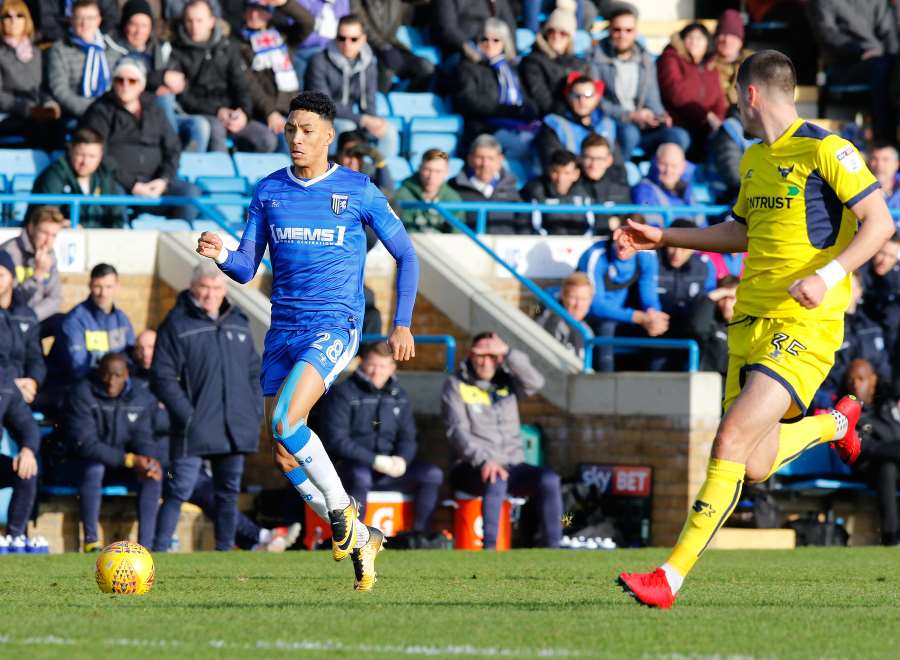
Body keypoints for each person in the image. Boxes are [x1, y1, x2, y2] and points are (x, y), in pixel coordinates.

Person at [616, 50, 894, 608]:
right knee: (757, 464)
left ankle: (669, 578)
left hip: (804, 323)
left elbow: (880, 222)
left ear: (750, 93)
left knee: (731, 440)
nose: (729, 103)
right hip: (749, 322)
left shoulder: (826, 149)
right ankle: (836, 422)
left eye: (731, 93)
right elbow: (740, 231)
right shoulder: (754, 159)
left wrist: (830, 273)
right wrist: (666, 238)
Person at [194, 91, 419, 590]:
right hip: (283, 329)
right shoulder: (269, 191)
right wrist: (220, 254)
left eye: (307, 131)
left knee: (285, 419)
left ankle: (342, 511)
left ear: (328, 136)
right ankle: (361, 537)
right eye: (291, 129)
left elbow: (408, 254)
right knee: (283, 451)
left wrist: (401, 321)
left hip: (334, 325)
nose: (296, 138)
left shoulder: (358, 190)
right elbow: (247, 268)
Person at [132, 328, 300, 552]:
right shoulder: (133, 385)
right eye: (141, 348)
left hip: (183, 458)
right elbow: (141, 426)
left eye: (151, 347)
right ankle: (259, 537)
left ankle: (255, 539)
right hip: (152, 463)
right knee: (190, 487)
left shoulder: (179, 379)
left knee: (216, 493)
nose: (146, 353)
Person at [150, 263, 262, 553]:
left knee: (227, 494)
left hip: (235, 426)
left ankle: (223, 555)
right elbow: (161, 377)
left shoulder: (239, 321)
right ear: (192, 288)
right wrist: (187, 415)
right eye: (204, 288)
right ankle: (159, 552)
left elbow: (253, 371)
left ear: (224, 290)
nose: (210, 294)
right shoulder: (176, 323)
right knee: (178, 491)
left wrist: (253, 413)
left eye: (216, 288)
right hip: (193, 427)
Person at [442, 332, 562, 549]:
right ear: (470, 354)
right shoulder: (455, 385)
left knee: (549, 479)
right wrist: (484, 460)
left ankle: (553, 548)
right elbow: (456, 432)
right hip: (471, 466)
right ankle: (490, 549)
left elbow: (536, 382)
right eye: (481, 355)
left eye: (492, 356)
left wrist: (508, 352)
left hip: (512, 464)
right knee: (495, 479)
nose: (486, 362)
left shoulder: (508, 381)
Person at [322, 342, 443, 532]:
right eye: (372, 365)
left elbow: (408, 437)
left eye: (382, 366)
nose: (376, 372)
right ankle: (355, 539)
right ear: (361, 364)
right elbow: (337, 440)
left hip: (389, 468)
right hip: (352, 466)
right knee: (359, 476)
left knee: (432, 474)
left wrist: (402, 459)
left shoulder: (399, 395)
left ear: (392, 368)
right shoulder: (343, 393)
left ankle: (421, 537)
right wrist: (374, 460)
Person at [80, 58, 201, 222]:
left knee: (190, 193)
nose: (125, 85)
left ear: (142, 85)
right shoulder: (100, 111)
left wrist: (163, 180)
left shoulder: (155, 110)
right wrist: (133, 184)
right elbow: (99, 155)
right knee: (112, 197)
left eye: (132, 80)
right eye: (119, 80)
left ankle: (179, 240)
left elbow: (172, 149)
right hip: (119, 183)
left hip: (156, 182)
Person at [63, 352, 162, 551]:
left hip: (122, 464)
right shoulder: (82, 393)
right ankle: (91, 542)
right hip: (82, 463)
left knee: (152, 474)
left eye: (117, 376)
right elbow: (87, 445)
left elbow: (143, 436)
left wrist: (149, 460)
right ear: (98, 373)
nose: (111, 381)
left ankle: (145, 547)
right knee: (94, 469)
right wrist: (131, 460)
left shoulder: (141, 397)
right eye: (106, 375)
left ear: (126, 375)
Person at [167, 0, 278, 153]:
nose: (194, 26)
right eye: (189, 20)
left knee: (266, 139)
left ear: (211, 22)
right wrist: (218, 111)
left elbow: (241, 86)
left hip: (231, 113)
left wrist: (243, 114)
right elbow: (184, 97)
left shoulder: (228, 47)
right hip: (201, 114)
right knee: (216, 131)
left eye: (199, 20)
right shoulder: (176, 52)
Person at [590, 3, 689, 160]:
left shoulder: (645, 59)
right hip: (615, 123)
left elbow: (652, 96)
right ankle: (619, 172)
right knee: (630, 134)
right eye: (617, 30)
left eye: (628, 30)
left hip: (643, 125)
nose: (622, 35)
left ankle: (661, 176)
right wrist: (631, 115)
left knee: (679, 136)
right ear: (609, 30)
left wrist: (659, 115)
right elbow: (595, 101)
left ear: (635, 32)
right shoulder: (596, 58)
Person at [576, 216, 668, 372]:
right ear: (616, 233)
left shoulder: (647, 256)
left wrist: (653, 314)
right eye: (623, 234)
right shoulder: (596, 254)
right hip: (593, 317)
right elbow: (595, 305)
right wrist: (639, 317)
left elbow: (649, 294)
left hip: (625, 315)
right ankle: (605, 383)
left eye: (633, 238)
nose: (626, 242)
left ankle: (656, 386)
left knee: (661, 328)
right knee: (607, 327)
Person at [305, 13, 398, 157]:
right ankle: (335, 176)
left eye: (353, 39)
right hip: (322, 119)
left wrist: (373, 121)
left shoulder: (369, 63)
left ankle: (377, 176)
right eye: (342, 38)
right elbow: (323, 106)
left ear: (363, 40)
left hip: (351, 118)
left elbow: (369, 103)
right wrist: (362, 120)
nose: (347, 44)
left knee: (388, 132)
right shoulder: (319, 61)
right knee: (346, 128)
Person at [809, 0, 896, 142]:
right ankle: (884, 140)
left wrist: (892, 57)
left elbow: (889, 34)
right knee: (881, 69)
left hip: (881, 60)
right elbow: (827, 33)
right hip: (845, 65)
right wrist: (860, 52)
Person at [453, 17, 537, 162]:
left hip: (517, 124)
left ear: (504, 43)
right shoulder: (468, 68)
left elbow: (527, 98)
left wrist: (526, 110)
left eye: (496, 40)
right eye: (484, 39)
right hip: (485, 127)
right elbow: (469, 101)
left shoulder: (513, 69)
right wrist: (504, 109)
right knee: (526, 148)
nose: (489, 44)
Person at [45, 262, 135, 389]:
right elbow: (78, 368)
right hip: (81, 388)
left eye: (109, 287)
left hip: (115, 387)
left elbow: (130, 358)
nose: (103, 293)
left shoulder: (122, 319)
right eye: (98, 286)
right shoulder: (75, 320)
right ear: (90, 286)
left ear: (117, 287)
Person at [236, 0, 312, 149]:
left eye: (260, 10)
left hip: (290, 107)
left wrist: (284, 3)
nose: (254, 14)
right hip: (261, 111)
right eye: (250, 9)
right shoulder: (237, 43)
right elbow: (250, 84)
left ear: (269, 13)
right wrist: (270, 112)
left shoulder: (282, 35)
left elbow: (308, 22)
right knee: (288, 138)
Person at [813, 272, 890, 409]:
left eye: (852, 287)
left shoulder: (872, 327)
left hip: (871, 404)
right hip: (834, 403)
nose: (848, 292)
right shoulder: (825, 327)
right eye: (844, 287)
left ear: (860, 291)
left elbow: (883, 368)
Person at [846, 358, 900, 546]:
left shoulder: (887, 405)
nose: (855, 384)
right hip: (867, 469)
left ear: (873, 380)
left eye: (861, 379)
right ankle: (891, 538)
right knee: (887, 468)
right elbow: (865, 448)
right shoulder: (846, 410)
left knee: (890, 466)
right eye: (851, 379)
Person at [651, 218, 717, 370]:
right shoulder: (653, 262)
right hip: (659, 326)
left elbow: (706, 302)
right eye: (672, 247)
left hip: (689, 326)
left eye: (684, 249)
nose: (677, 254)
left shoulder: (705, 266)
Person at [656, 22, 726, 161]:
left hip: (705, 126)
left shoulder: (711, 66)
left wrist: (717, 119)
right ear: (682, 40)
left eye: (699, 38)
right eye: (689, 37)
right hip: (677, 122)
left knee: (725, 137)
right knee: (685, 138)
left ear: (707, 42)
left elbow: (719, 99)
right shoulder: (671, 57)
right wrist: (706, 116)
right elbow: (676, 94)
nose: (694, 42)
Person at [30, 128, 124, 228]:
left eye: (92, 156)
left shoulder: (105, 177)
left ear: (100, 156)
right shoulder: (54, 175)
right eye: (80, 155)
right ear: (70, 150)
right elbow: (46, 215)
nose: (85, 162)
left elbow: (116, 218)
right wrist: (65, 224)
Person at [45, 0, 123, 120]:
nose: (85, 23)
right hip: (76, 114)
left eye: (90, 18)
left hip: (111, 112)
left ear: (99, 20)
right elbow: (60, 90)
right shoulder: (59, 49)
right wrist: (92, 110)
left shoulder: (111, 47)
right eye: (79, 18)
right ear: (71, 20)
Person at [0, 0, 62, 148]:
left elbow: (45, 87)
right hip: (11, 112)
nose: (14, 21)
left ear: (27, 20)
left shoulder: (38, 53)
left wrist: (50, 104)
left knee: (58, 125)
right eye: (7, 16)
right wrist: (27, 109)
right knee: (37, 128)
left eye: (19, 16)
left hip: (39, 108)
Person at [0, 205, 64, 328]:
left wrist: (33, 316)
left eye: (53, 235)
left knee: (66, 323)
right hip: (10, 319)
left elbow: (55, 298)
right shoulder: (8, 253)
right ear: (31, 228)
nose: (48, 240)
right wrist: (37, 275)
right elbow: (10, 300)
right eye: (44, 233)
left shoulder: (50, 256)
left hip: (35, 317)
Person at [536, 73, 617, 169]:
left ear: (596, 98)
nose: (582, 101)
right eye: (577, 96)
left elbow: (617, 164)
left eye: (588, 95)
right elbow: (554, 167)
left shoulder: (607, 124)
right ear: (568, 97)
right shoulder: (554, 124)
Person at [351, 0, 434, 93]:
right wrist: (382, 46)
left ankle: (403, 99)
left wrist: (386, 48)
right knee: (386, 71)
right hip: (364, 47)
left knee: (425, 68)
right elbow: (358, 23)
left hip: (391, 47)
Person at [520, 6, 589, 117]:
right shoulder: (532, 62)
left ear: (570, 38)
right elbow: (541, 99)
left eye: (563, 33)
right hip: (550, 118)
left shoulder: (579, 63)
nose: (556, 36)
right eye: (551, 31)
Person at [449, 134, 522, 234]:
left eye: (490, 158)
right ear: (470, 159)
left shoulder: (513, 188)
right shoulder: (453, 188)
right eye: (480, 157)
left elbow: (523, 223)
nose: (485, 164)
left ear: (500, 160)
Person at [0, 371, 40, 546]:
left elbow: (26, 423)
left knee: (26, 470)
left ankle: (14, 538)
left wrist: (28, 449)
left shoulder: (4, 381)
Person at [0, 250, 45, 405]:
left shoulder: (27, 315)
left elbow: (35, 357)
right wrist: (10, 386)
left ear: (12, 277)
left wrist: (33, 381)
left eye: (0, 275)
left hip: (24, 390)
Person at [521, 149, 592, 235]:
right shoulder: (534, 191)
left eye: (566, 173)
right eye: (556, 172)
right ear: (549, 170)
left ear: (576, 174)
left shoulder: (585, 193)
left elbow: (591, 227)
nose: (560, 179)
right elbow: (530, 227)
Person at [394, 147, 462, 233]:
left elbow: (456, 234)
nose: (431, 177)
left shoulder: (453, 199)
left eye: (438, 171)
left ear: (447, 172)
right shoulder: (402, 196)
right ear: (419, 168)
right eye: (427, 170)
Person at [631, 142, 701, 226]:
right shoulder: (644, 190)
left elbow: (702, 224)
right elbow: (652, 227)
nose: (668, 171)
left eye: (674, 166)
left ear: (683, 167)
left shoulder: (688, 190)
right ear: (655, 162)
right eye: (663, 164)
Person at [685, 274, 739, 379]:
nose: (727, 304)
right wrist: (712, 296)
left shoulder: (747, 326)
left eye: (732, 298)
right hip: (710, 384)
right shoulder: (712, 322)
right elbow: (698, 328)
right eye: (723, 298)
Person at [578, 133, 630, 234]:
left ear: (609, 160)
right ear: (580, 158)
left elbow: (628, 220)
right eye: (589, 158)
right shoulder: (569, 184)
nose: (593, 165)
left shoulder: (620, 187)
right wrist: (609, 222)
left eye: (599, 159)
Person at [433, 0, 516, 63]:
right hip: (461, 51)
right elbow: (448, 30)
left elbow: (509, 23)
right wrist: (470, 49)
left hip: (493, 46)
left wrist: (510, 51)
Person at [535, 271, 593, 361]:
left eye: (584, 299)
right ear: (563, 296)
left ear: (590, 300)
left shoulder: (587, 331)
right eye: (573, 297)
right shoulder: (550, 324)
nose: (578, 305)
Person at [291, 0, 349, 83]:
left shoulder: (342, 2)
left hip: (336, 48)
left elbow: (346, 24)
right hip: (307, 49)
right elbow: (296, 30)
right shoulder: (303, 2)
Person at [711, 9, 751, 108]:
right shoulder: (706, 64)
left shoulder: (754, 63)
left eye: (733, 35)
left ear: (741, 41)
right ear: (715, 39)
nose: (727, 40)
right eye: (722, 34)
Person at [334, 128, 393, 193]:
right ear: (338, 153)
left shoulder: (367, 171)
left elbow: (387, 194)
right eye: (348, 154)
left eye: (358, 155)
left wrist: (378, 158)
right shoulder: (327, 170)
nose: (353, 162)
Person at [30, 0, 118, 43]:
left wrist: (93, 36)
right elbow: (47, 21)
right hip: (60, 41)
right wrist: (70, 40)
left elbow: (111, 18)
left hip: (98, 40)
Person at [867, 144, 900, 212]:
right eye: (874, 159)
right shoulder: (858, 190)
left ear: (897, 164)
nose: (879, 165)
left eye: (885, 160)